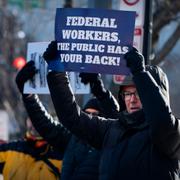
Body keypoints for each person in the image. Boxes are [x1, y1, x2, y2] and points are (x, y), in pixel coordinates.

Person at [42, 41, 180, 180]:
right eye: (127, 93)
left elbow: (161, 120)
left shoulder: (171, 133)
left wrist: (140, 73)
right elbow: (72, 117)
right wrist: (57, 71)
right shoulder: (112, 130)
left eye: (139, 93)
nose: (132, 99)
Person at [15, 61, 119, 180]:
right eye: (87, 114)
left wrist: (100, 91)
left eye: (95, 115)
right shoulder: (72, 139)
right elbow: (45, 125)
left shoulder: (112, 138)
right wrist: (28, 94)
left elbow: (115, 115)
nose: (90, 118)